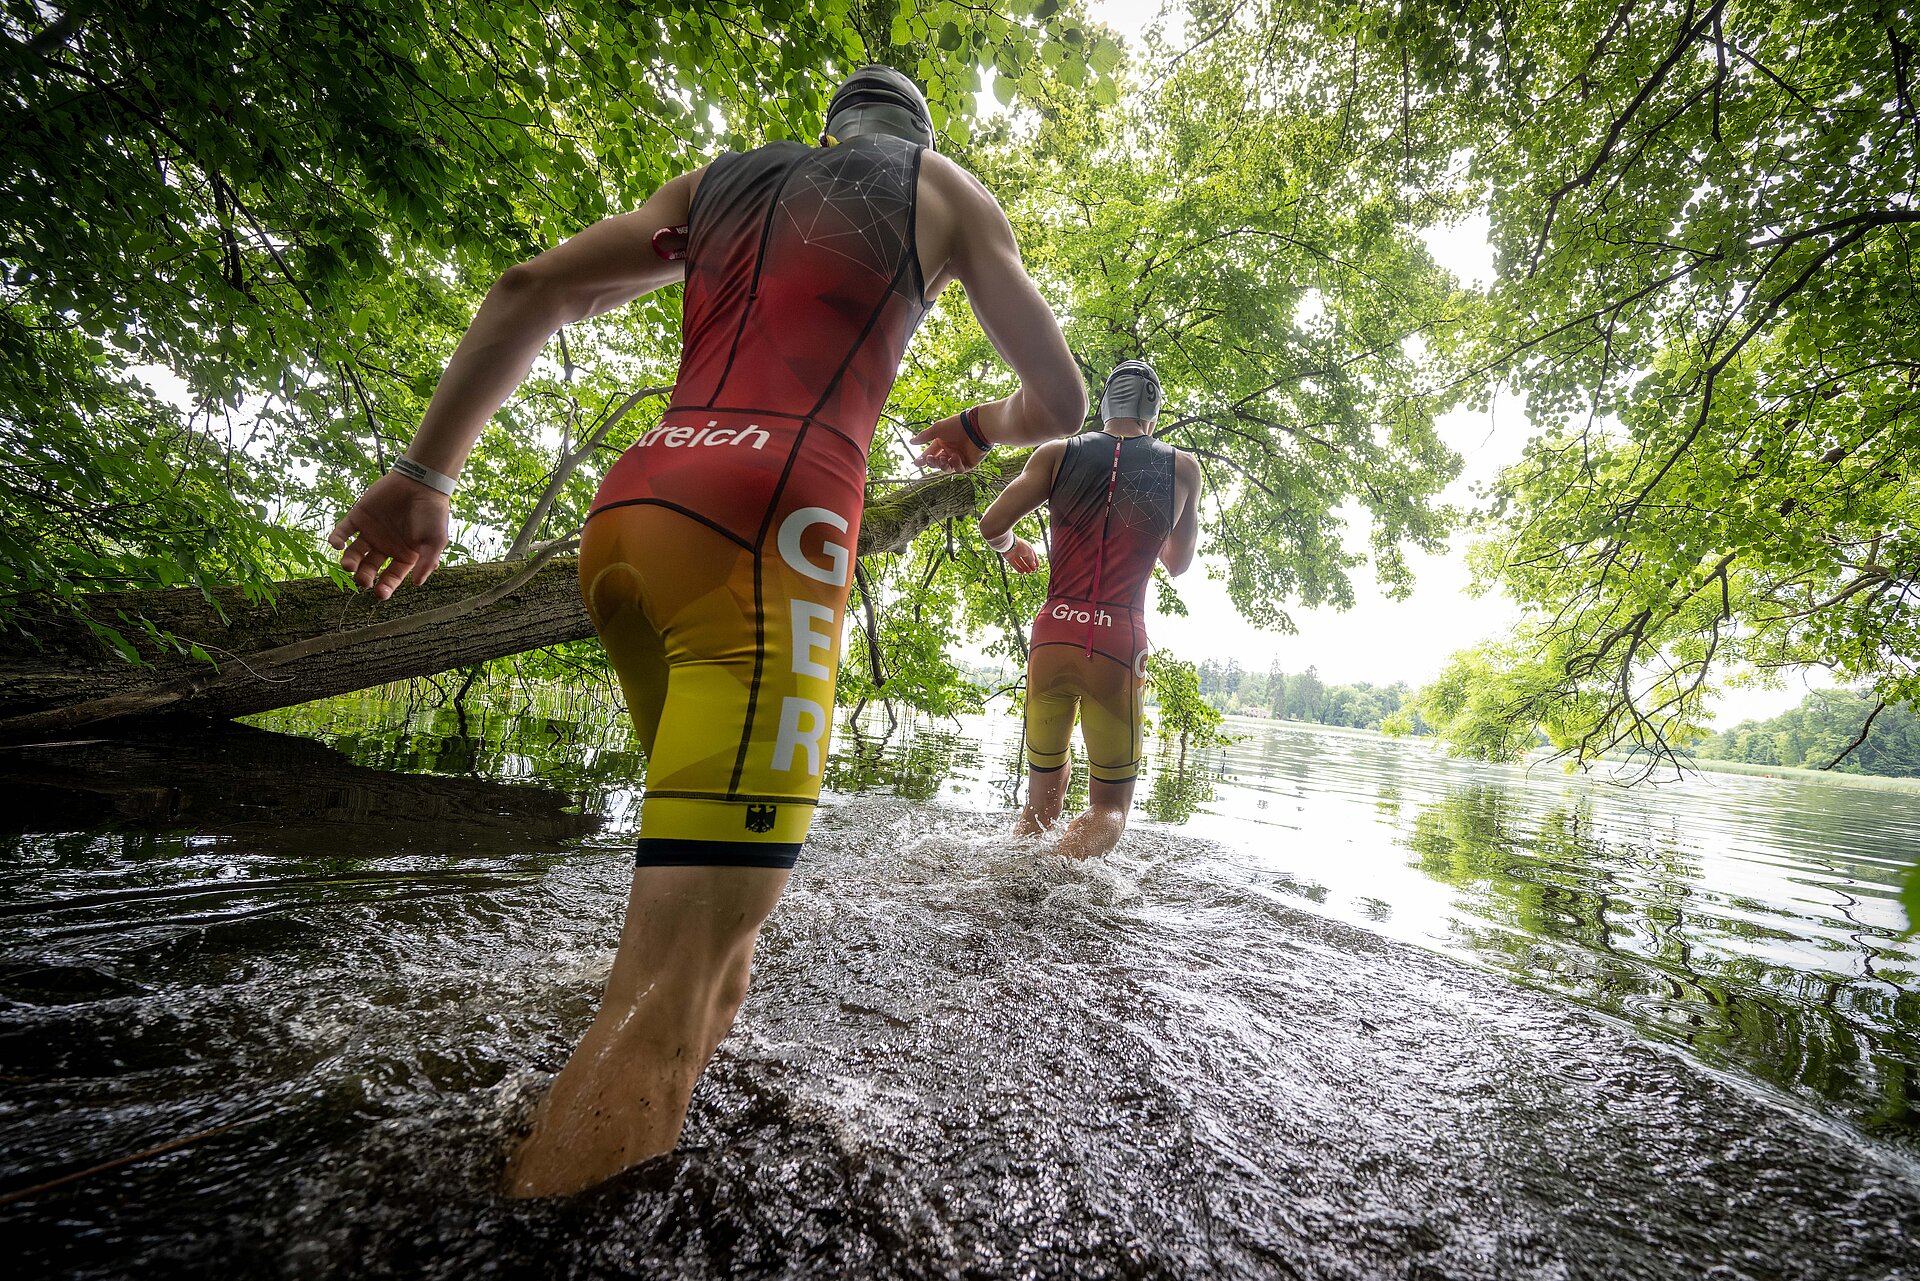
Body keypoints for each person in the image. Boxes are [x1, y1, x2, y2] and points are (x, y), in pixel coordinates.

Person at [325, 65, 1085, 1197]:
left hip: (633, 526)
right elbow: (1061, 407)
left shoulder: (718, 181)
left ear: (830, 128)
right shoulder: (944, 191)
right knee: (676, 978)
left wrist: (422, 475)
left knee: (709, 946)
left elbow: (535, 285)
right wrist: (981, 425)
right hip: (771, 527)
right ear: (913, 132)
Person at [976, 359, 1201, 860]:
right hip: (1119, 643)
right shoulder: (1181, 467)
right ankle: (1047, 880)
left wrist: (1011, 546)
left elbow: (992, 523)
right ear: (1153, 414)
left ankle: (1006, 882)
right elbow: (1178, 564)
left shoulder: (1057, 452)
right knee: (1109, 810)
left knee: (1039, 809)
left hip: (1053, 633)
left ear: (1104, 407)